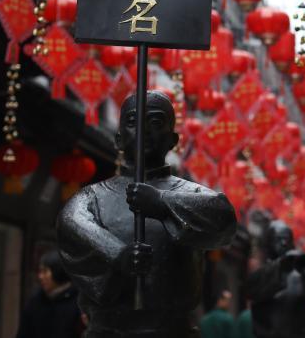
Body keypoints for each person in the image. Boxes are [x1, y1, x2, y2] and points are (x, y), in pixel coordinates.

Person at [57, 92, 238, 337]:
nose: (143, 130)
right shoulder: (93, 196)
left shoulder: (190, 193)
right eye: (133, 122)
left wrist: (162, 202)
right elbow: (71, 223)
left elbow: (222, 218)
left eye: (154, 123)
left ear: (172, 140)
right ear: (119, 139)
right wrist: (117, 254)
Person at [246, 221, 305, 338]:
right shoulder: (260, 275)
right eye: (278, 239)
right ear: (268, 242)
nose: (283, 243)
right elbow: (253, 293)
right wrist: (279, 265)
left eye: (287, 239)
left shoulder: (302, 277)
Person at [15, 250, 83, 338]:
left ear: (57, 271)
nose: (40, 276)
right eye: (40, 272)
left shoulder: (78, 302)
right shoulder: (35, 301)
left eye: (45, 271)